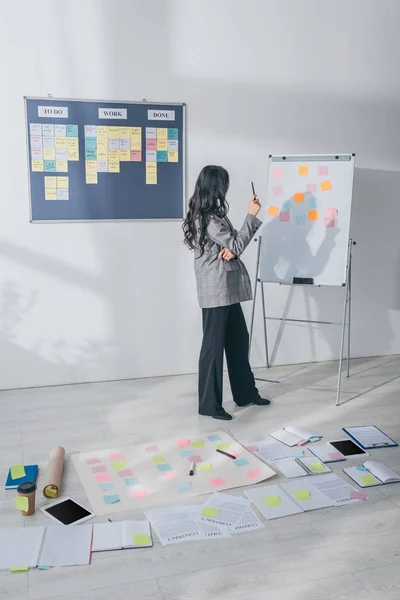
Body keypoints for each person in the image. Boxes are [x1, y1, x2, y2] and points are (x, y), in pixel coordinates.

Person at [183, 165, 271, 420]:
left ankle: (245, 394)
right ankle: (209, 405)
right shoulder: (208, 218)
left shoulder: (213, 214)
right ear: (217, 187)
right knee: (213, 347)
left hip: (226, 287)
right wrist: (251, 216)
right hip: (217, 288)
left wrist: (232, 249)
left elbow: (232, 243)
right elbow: (234, 241)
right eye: (225, 184)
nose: (228, 188)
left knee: (238, 341)